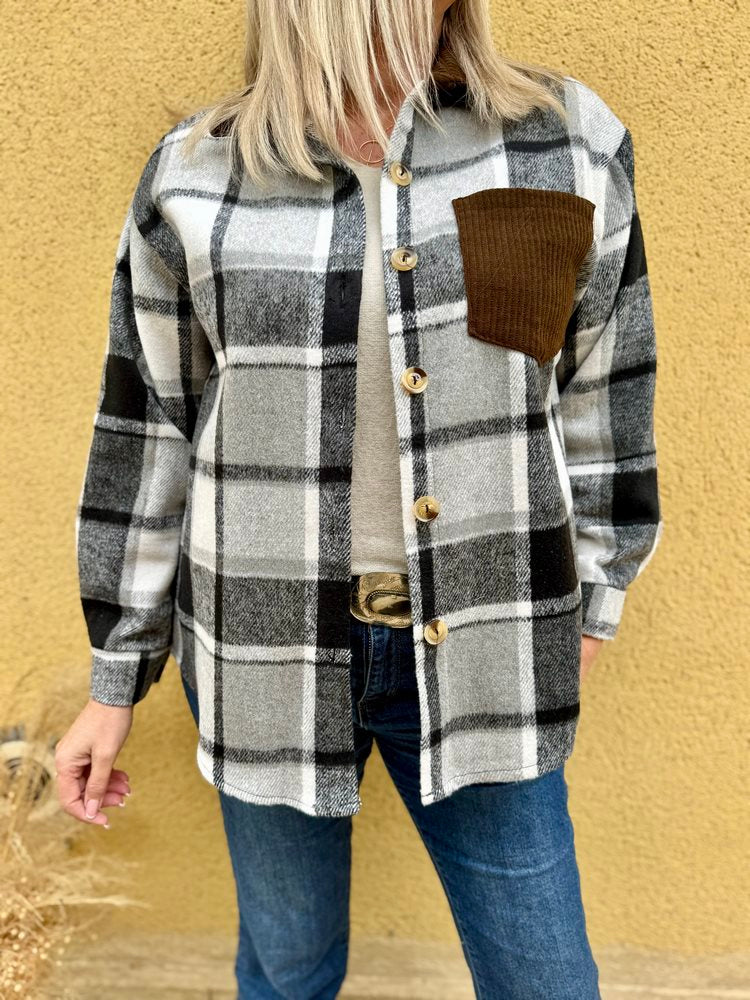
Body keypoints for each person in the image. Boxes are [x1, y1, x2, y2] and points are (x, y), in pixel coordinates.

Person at [54, 1, 664, 997]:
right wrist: (115, 680)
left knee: (544, 976)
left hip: (489, 647)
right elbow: (148, 430)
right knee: (289, 966)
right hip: (261, 651)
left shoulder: (561, 145)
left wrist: (594, 599)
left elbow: (605, 391)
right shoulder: (196, 176)